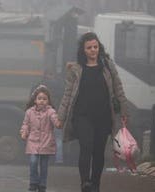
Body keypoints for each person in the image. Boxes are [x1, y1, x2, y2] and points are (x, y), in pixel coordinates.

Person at [56, 32, 129, 192]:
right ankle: (85, 183)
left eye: (95, 47)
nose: (93, 50)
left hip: (103, 116)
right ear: (83, 50)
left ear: (99, 47)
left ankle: (95, 184)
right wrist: (60, 117)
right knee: (86, 147)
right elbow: (68, 94)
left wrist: (124, 111)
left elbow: (118, 88)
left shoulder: (108, 66)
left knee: (98, 151)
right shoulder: (76, 69)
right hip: (82, 116)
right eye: (89, 47)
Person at [20, 85, 60, 192]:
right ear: (35, 100)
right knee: (33, 162)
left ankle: (42, 185)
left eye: (44, 99)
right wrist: (24, 132)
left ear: (48, 100)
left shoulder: (50, 111)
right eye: (39, 98)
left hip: (46, 142)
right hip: (33, 142)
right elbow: (26, 124)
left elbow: (55, 119)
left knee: (44, 166)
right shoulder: (29, 112)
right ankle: (33, 182)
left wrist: (58, 123)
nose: (42, 101)